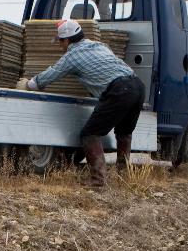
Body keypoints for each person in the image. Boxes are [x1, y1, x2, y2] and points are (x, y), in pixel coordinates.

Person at [24, 18, 146, 187]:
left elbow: (52, 74)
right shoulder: (99, 46)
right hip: (137, 86)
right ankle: (123, 177)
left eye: (60, 42)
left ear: (67, 40)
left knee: (89, 134)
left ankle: (97, 180)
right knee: (123, 133)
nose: (60, 46)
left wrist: (29, 84)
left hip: (119, 90)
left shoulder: (72, 56)